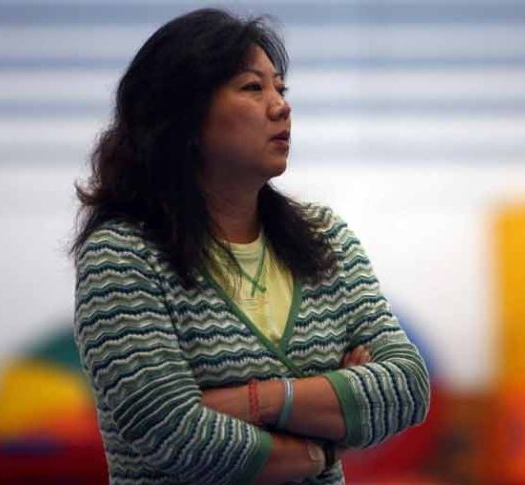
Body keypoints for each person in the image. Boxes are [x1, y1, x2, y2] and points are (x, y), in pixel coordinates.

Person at [71, 8, 431, 484]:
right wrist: (326, 441)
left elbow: (407, 387)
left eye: (281, 88)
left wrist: (259, 400)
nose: (281, 106)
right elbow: (175, 435)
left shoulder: (324, 238)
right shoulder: (122, 255)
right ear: (184, 117)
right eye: (252, 88)